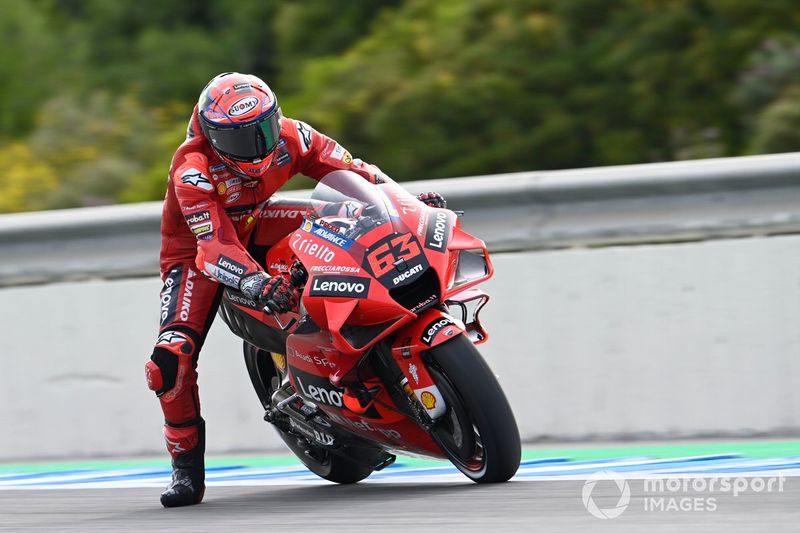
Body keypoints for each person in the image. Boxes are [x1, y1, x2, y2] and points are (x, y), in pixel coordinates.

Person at [145, 72, 445, 507]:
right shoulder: (192, 170)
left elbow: (357, 172)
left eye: (263, 130)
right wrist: (256, 282)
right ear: (211, 137)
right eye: (240, 139)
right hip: (197, 256)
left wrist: (409, 205)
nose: (258, 147)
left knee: (350, 215)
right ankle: (186, 471)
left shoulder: (293, 135)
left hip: (259, 221)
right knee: (167, 361)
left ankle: (360, 353)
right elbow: (213, 247)